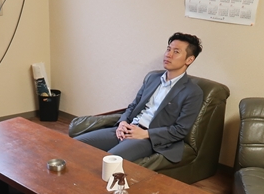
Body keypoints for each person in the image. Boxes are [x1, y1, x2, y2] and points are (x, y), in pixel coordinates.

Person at [74, 32, 204, 164]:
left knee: (107, 162)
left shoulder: (192, 92)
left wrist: (145, 134)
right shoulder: (153, 78)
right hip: (128, 128)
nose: (168, 54)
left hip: (149, 138)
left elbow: (180, 130)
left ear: (189, 60)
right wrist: (123, 122)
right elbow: (133, 105)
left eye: (176, 52)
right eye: (168, 49)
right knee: (75, 145)